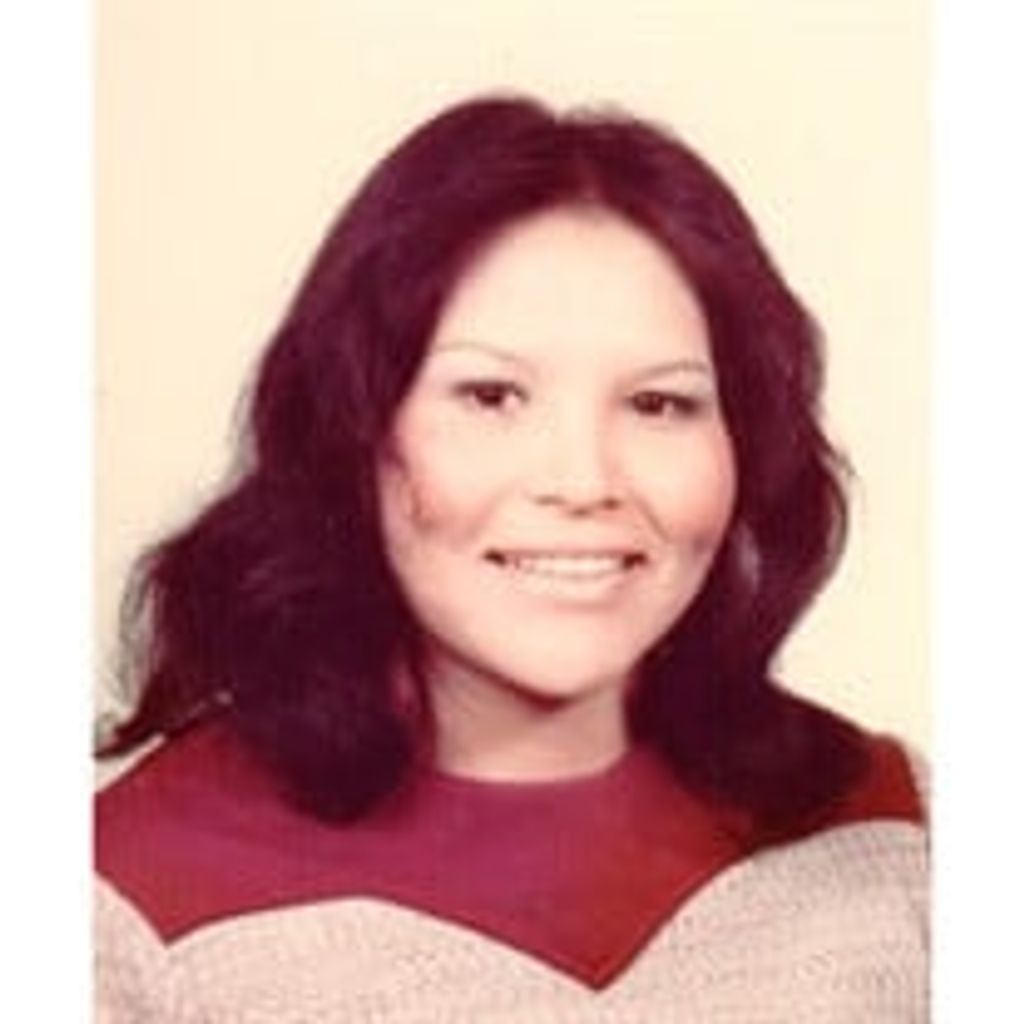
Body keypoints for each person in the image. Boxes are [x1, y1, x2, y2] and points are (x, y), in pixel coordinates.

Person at [95, 94, 928, 1021]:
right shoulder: (121, 899)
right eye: (491, 396)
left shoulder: (905, 838)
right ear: (354, 430)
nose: (583, 480)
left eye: (659, 404)